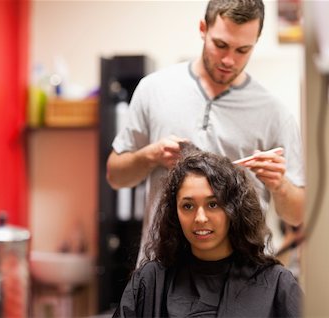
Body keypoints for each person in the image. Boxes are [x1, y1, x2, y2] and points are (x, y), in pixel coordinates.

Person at [107, 0, 305, 264]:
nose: (228, 60)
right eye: (220, 45)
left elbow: (298, 215)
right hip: (164, 273)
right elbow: (116, 176)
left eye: (242, 50)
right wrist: (150, 156)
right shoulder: (154, 90)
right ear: (203, 28)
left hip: (242, 280)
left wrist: (280, 185)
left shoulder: (274, 113)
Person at [112, 146, 303, 317]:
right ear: (174, 212)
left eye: (213, 204)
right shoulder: (151, 282)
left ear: (233, 209)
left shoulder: (275, 284)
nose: (200, 218)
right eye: (188, 206)